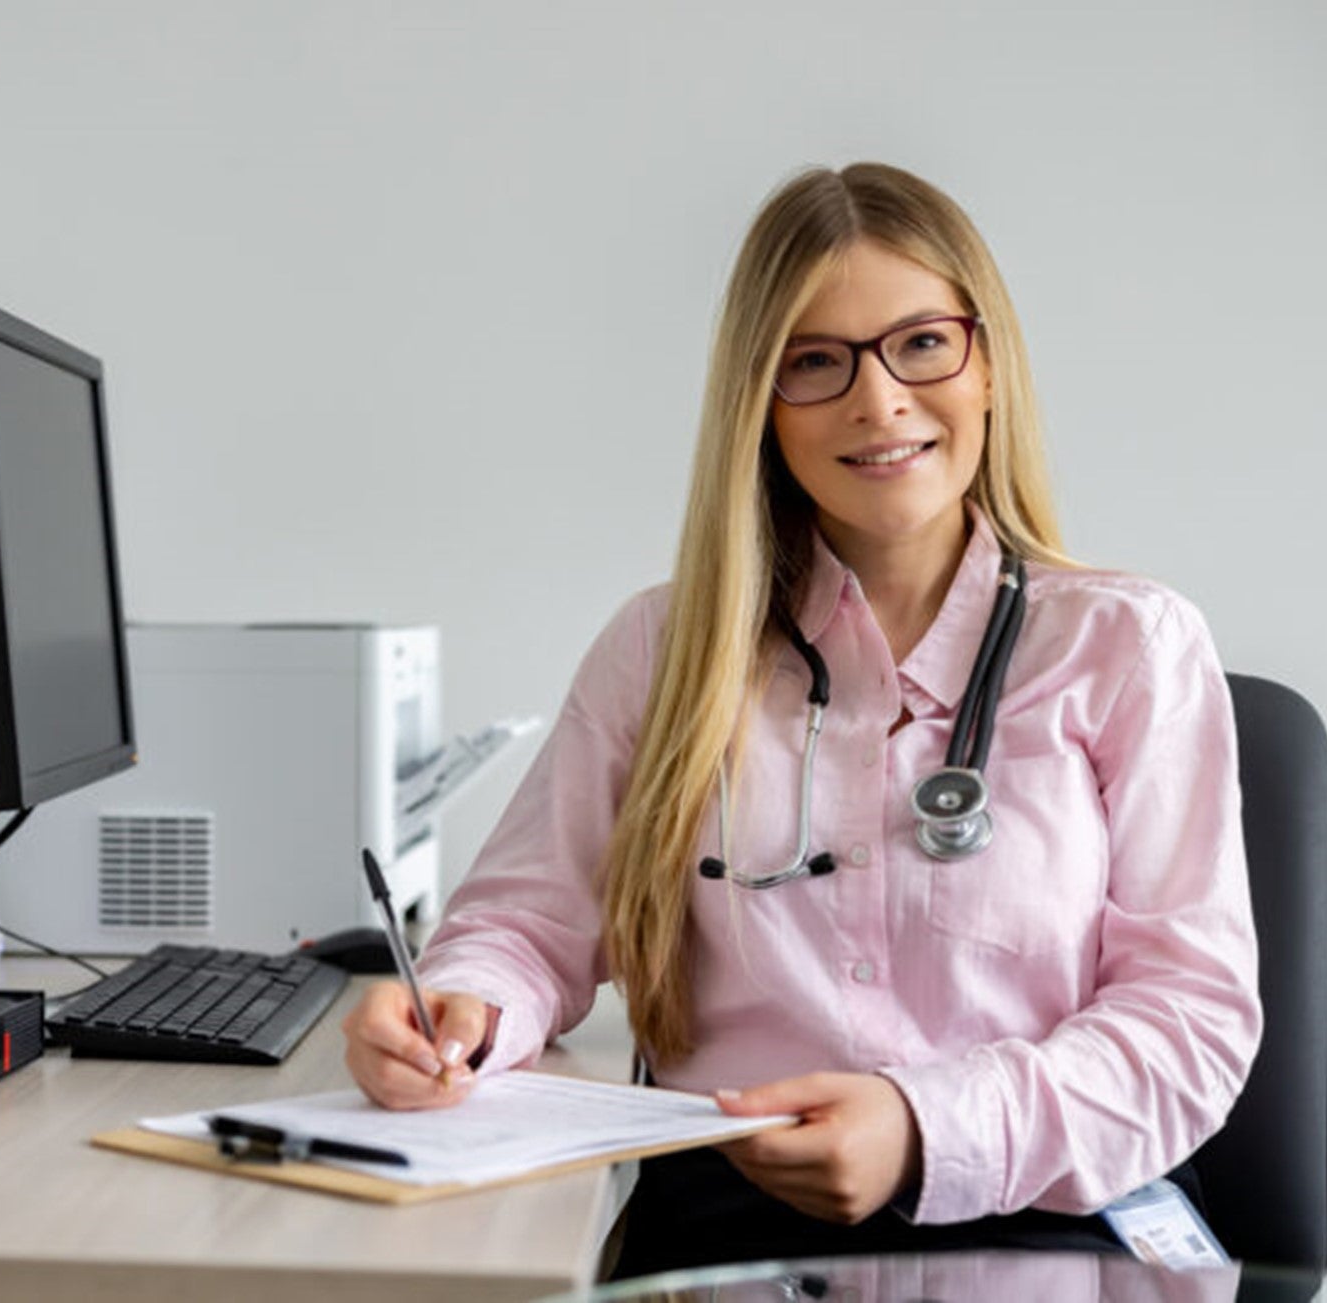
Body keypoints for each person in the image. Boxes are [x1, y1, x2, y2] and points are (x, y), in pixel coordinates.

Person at [341, 161, 1261, 1276]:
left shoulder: (1127, 646)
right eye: (814, 362)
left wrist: (922, 1127)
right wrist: (461, 1012)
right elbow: (526, 926)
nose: (877, 402)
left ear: (986, 365)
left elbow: (1188, 1026)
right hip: (729, 1228)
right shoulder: (660, 650)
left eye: (921, 343)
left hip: (1053, 1222)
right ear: (759, 405)